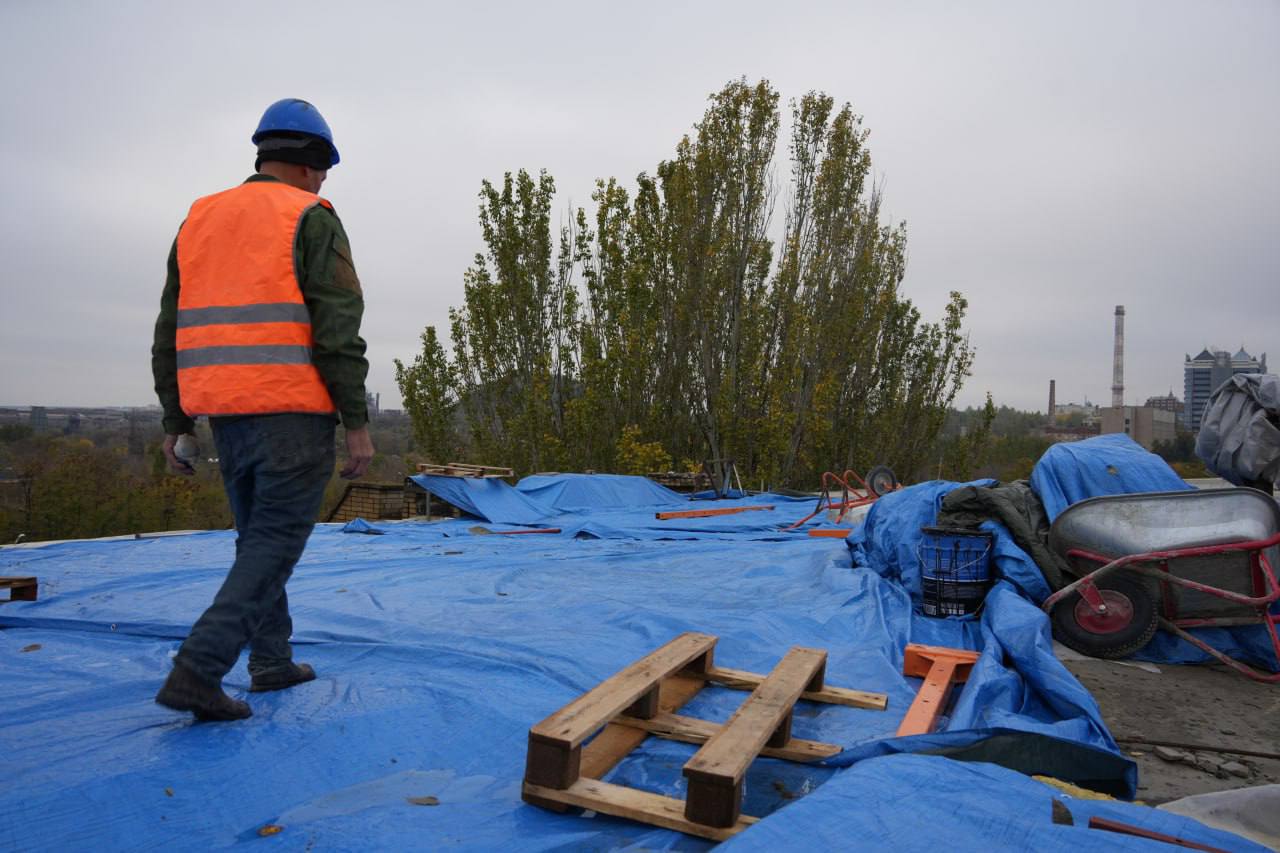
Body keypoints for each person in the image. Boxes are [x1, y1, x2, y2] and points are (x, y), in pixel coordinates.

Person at [150, 98, 374, 721]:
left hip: (228, 414)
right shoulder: (312, 216)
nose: (325, 179)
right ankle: (198, 669)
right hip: (293, 413)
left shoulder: (200, 218)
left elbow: (170, 327)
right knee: (274, 544)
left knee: (258, 541)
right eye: (325, 167)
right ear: (310, 164)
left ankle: (271, 661)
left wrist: (177, 421)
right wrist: (356, 424)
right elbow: (336, 329)